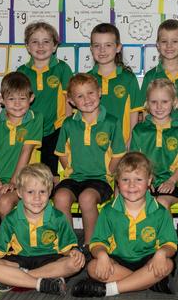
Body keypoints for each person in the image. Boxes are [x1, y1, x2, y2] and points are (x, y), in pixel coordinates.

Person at [71, 152, 178, 297]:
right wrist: (102, 255)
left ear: (149, 181)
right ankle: (148, 281)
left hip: (149, 260)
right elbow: (97, 243)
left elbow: (170, 244)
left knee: (167, 264)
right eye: (125, 179)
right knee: (93, 267)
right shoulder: (109, 211)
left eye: (138, 179)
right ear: (118, 182)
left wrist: (162, 252)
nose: (131, 185)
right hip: (118, 261)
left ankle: (109, 290)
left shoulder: (160, 211)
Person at [0, 163, 84, 295]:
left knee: (74, 263)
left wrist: (74, 252)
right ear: (19, 193)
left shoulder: (58, 217)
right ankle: (41, 283)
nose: (37, 198)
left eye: (42, 192)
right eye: (30, 192)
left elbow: (68, 250)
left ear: (50, 192)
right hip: (19, 260)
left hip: (50, 260)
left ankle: (19, 278)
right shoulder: (11, 218)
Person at [53, 74, 126, 251]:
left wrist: (109, 171)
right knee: (60, 197)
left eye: (90, 93)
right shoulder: (69, 124)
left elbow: (118, 154)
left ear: (99, 92)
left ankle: (91, 244)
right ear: (71, 101)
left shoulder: (111, 122)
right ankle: (69, 244)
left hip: (100, 179)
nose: (87, 99)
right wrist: (69, 168)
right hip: (75, 177)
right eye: (80, 96)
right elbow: (61, 152)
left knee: (86, 198)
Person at [0, 72, 43, 244]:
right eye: (11, 99)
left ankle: (15, 245)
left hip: (24, 180)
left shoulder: (35, 119)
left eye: (22, 98)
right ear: (1, 100)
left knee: (5, 203)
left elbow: (26, 152)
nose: (17, 104)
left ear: (31, 98)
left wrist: (14, 182)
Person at [16, 22, 73, 182]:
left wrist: (67, 127)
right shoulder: (22, 71)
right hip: (30, 127)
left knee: (51, 170)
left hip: (56, 128)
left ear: (54, 46)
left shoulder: (62, 69)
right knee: (30, 172)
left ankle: (54, 192)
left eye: (46, 41)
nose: (40, 46)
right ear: (27, 46)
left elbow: (69, 99)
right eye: (35, 41)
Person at [130, 79, 178, 209]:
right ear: (147, 103)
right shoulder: (139, 130)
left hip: (174, 183)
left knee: (161, 202)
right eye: (154, 102)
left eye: (164, 101)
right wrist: (144, 181)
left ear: (174, 102)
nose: (159, 107)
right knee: (136, 202)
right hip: (145, 183)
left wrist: (171, 181)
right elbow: (135, 163)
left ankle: (166, 230)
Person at [137, 19, 178, 135]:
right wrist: (150, 134)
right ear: (157, 45)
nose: (169, 46)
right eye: (164, 41)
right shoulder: (150, 76)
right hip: (154, 142)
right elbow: (145, 110)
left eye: (174, 41)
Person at [87, 23, 142, 145]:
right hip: (92, 145)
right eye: (97, 45)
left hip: (121, 144)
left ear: (118, 48)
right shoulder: (86, 79)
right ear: (91, 49)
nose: (102, 50)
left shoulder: (128, 78)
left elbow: (134, 112)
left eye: (108, 45)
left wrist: (130, 140)